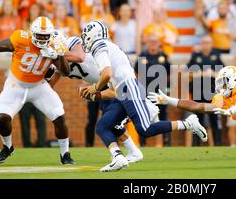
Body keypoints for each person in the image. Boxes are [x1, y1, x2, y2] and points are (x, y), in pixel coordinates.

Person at [78, 21, 207, 172]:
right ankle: (118, 157)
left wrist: (93, 88)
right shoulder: (108, 47)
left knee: (145, 130)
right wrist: (96, 96)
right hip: (122, 91)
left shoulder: (99, 46)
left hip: (129, 88)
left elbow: (107, 74)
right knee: (103, 126)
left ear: (93, 35)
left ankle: (188, 123)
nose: (85, 40)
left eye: (86, 36)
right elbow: (113, 90)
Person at [0, 16, 74, 165]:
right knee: (2, 118)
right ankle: (8, 146)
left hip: (39, 87)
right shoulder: (21, 38)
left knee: (59, 117)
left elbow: (66, 71)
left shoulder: (56, 45)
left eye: (46, 36)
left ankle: (65, 154)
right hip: (16, 86)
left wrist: (57, 56)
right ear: (32, 33)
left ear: (51, 35)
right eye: (39, 36)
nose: (42, 39)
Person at [135, 34, 172, 147]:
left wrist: (167, 88)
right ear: (147, 43)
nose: (153, 44)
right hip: (145, 92)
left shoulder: (163, 56)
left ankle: (166, 142)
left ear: (159, 44)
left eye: (155, 42)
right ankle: (142, 143)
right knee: (143, 115)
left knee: (163, 116)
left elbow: (169, 74)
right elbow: (136, 73)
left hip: (160, 92)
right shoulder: (142, 56)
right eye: (151, 42)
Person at [187, 35, 224, 146]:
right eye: (203, 42)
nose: (205, 45)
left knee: (215, 120)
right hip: (198, 93)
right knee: (197, 120)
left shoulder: (216, 56)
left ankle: (218, 144)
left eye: (208, 42)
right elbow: (187, 73)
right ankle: (196, 145)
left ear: (211, 44)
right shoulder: (195, 56)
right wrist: (201, 74)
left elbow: (224, 74)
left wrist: (213, 73)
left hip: (212, 94)